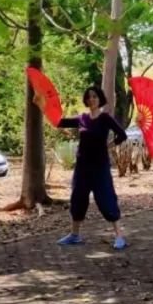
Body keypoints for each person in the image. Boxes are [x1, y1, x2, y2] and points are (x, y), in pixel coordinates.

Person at [55, 86, 128, 250]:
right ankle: (74, 235)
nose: (91, 99)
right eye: (89, 97)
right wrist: (41, 104)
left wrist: (109, 145)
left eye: (94, 96)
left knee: (106, 199)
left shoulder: (105, 118)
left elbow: (122, 135)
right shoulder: (82, 118)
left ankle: (119, 236)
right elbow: (59, 122)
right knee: (78, 198)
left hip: (100, 167)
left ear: (99, 99)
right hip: (82, 167)